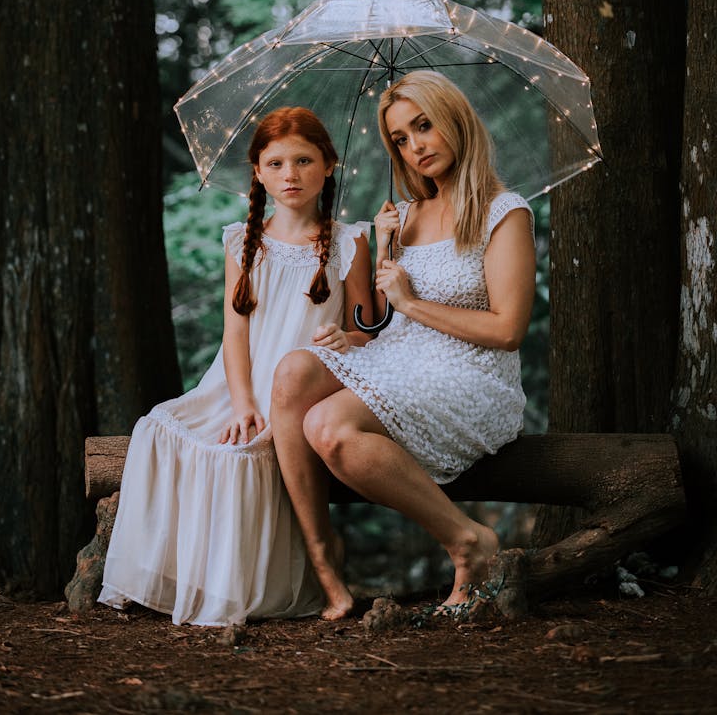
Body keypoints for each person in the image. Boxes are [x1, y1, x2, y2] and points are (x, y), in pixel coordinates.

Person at [270, 70, 536, 620]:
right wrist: (376, 276)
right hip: (402, 358)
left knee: (328, 427)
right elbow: (380, 320)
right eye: (400, 138)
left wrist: (412, 304)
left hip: (472, 374)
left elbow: (508, 330)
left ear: (454, 120)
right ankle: (322, 561)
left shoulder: (502, 212)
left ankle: (466, 541)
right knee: (294, 372)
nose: (415, 146)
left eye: (423, 126)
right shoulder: (406, 215)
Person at [98, 107, 373, 626]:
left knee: (242, 454)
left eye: (303, 160)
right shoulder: (241, 243)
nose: (290, 174)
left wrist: (348, 334)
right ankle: (188, 581)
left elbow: (369, 328)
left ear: (329, 165)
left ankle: (253, 586)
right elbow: (236, 332)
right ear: (258, 172)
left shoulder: (349, 242)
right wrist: (243, 400)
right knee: (161, 427)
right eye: (275, 163)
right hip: (242, 379)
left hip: (305, 385)